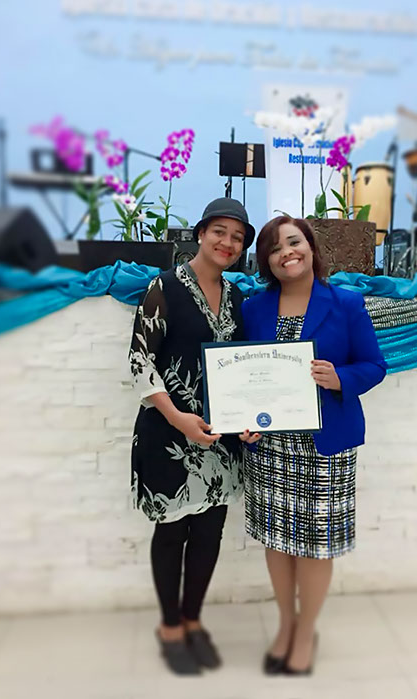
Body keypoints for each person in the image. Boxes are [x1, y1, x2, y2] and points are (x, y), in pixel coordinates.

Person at [242, 216, 387, 675]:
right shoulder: (253, 308)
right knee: (278, 539)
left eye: (294, 242)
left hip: (326, 445)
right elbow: (245, 375)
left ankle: (306, 632)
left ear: (310, 246)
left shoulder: (346, 303)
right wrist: (242, 419)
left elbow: (374, 365)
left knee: (316, 544)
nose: (286, 252)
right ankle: (286, 624)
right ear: (266, 261)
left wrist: (340, 377)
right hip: (270, 447)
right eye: (274, 248)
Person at [128, 198, 258, 675]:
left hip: (221, 440)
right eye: (219, 231)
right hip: (169, 434)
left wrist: (252, 418)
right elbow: (140, 362)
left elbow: (244, 367)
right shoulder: (163, 287)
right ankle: (170, 628)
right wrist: (179, 418)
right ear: (201, 233)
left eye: (237, 237)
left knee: (208, 532)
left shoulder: (238, 298)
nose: (228, 242)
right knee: (171, 532)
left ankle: (192, 621)